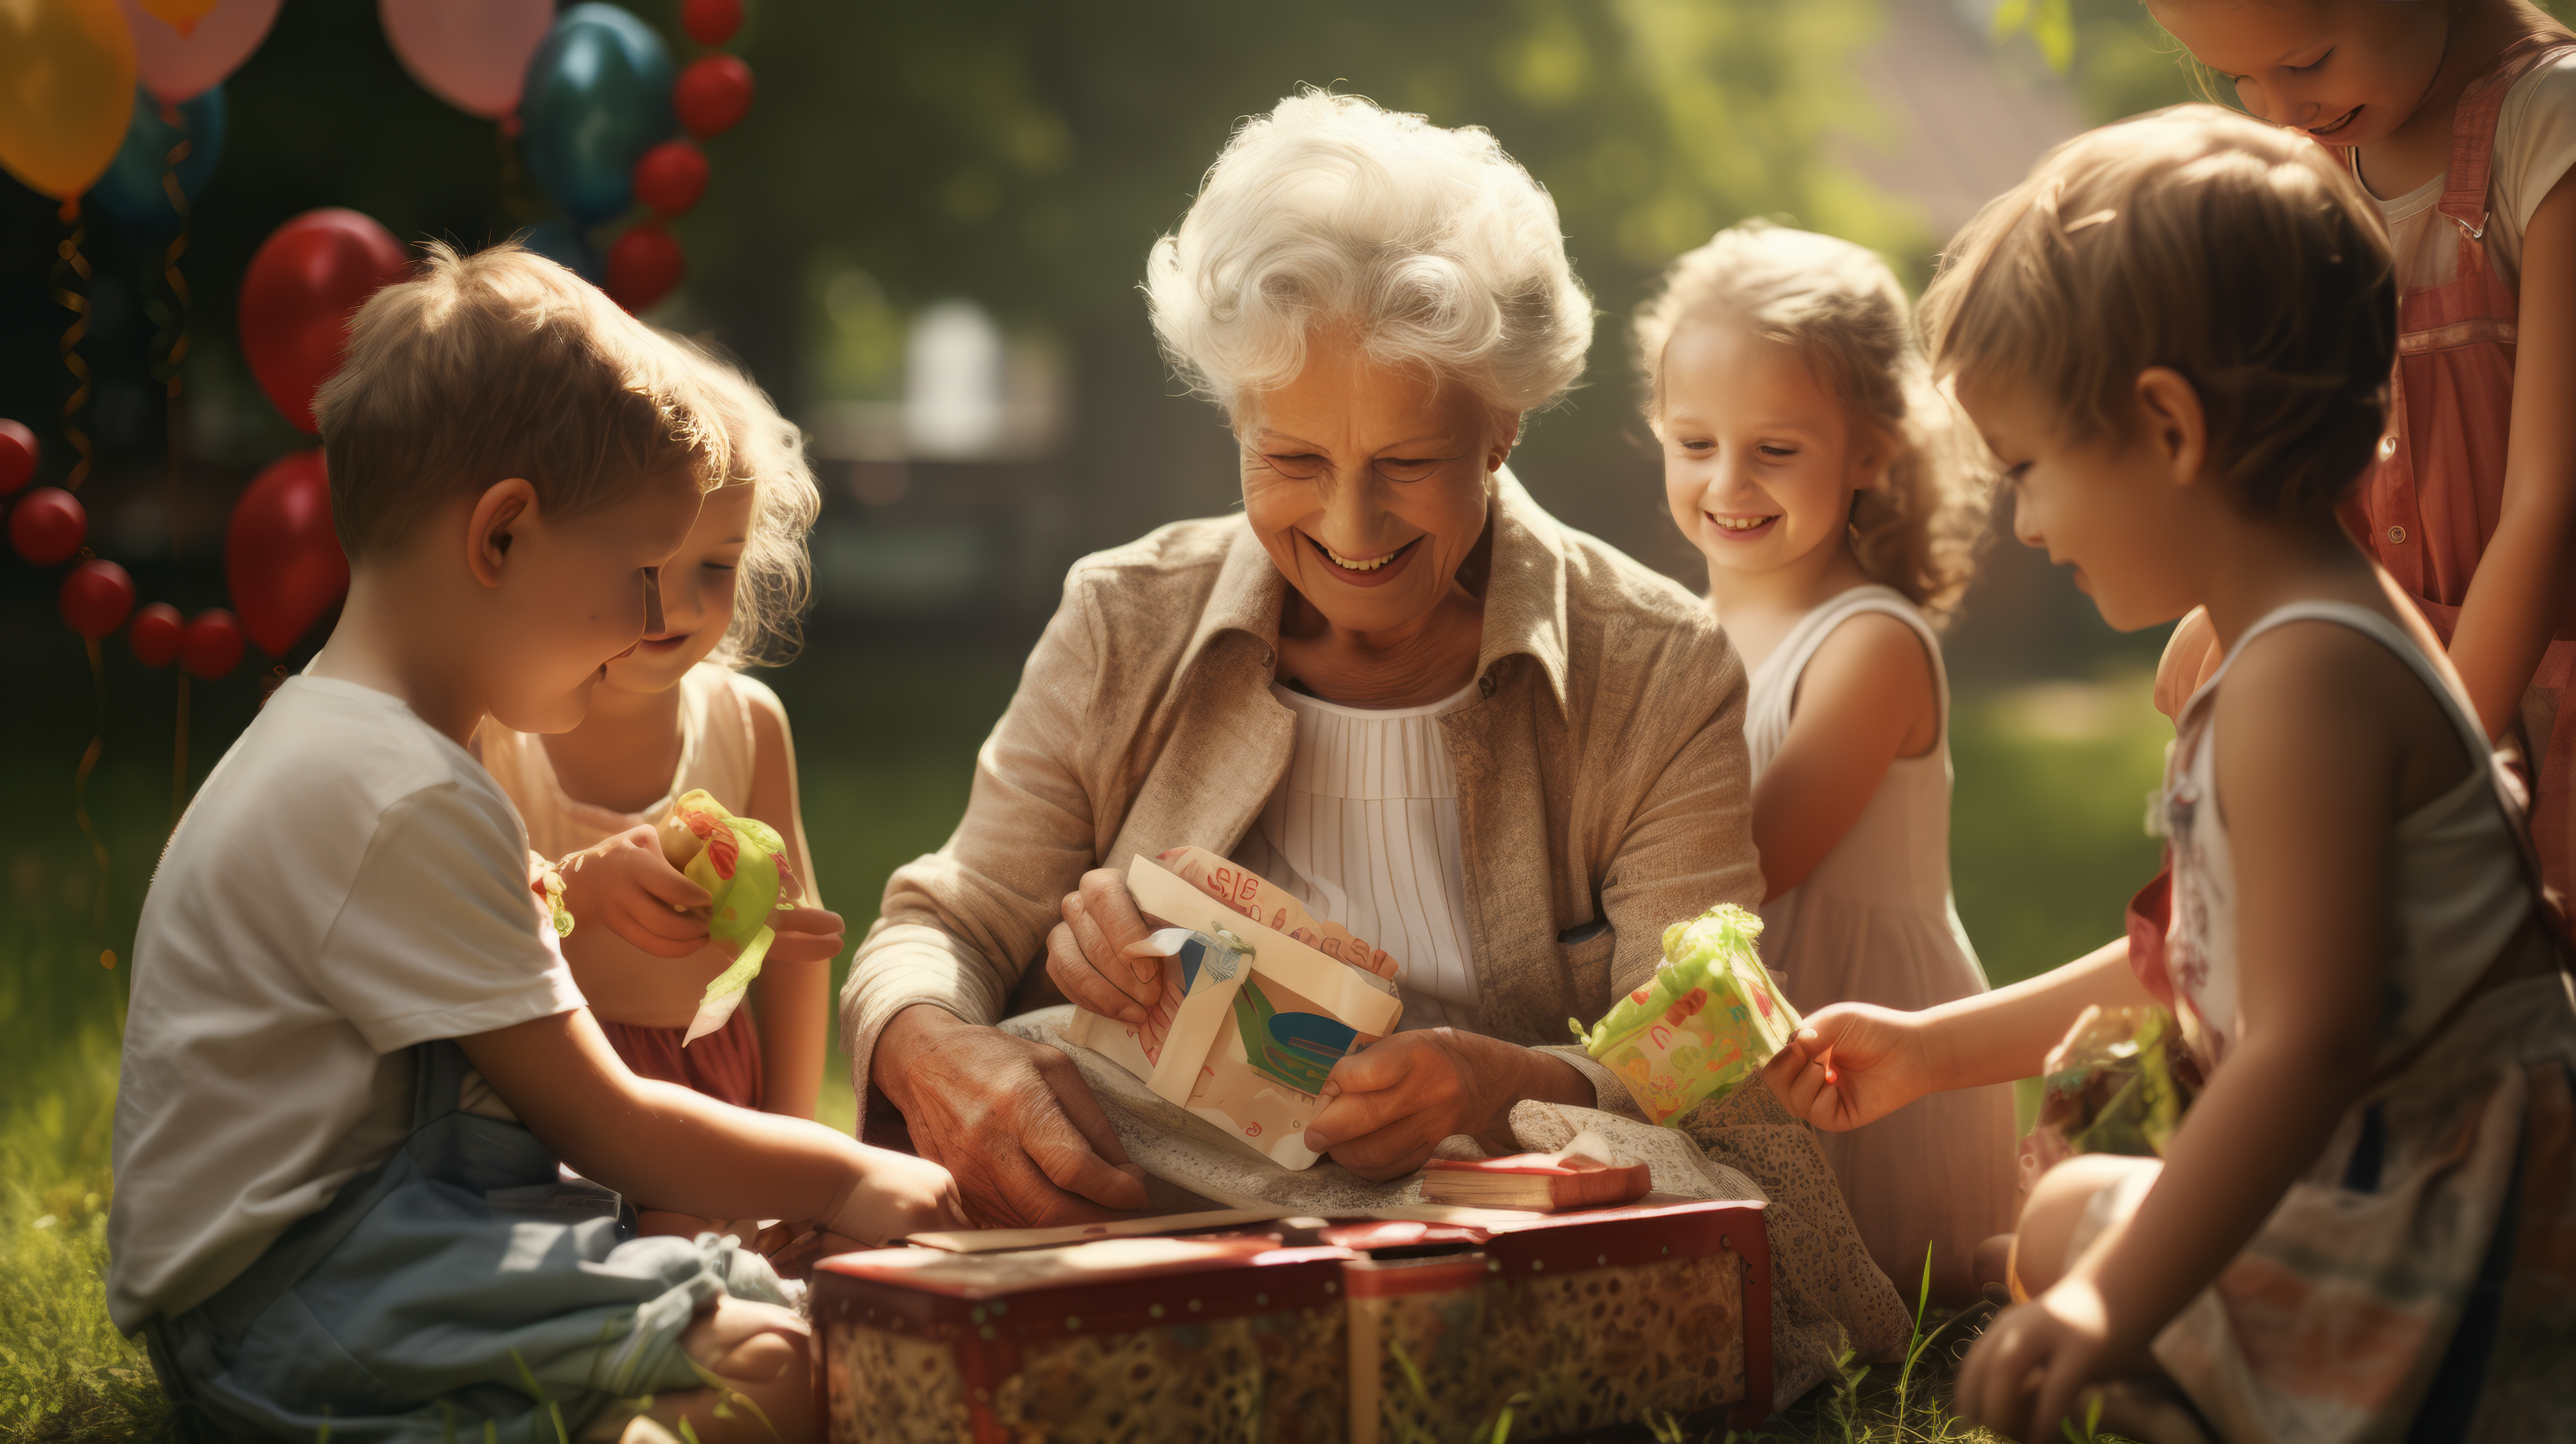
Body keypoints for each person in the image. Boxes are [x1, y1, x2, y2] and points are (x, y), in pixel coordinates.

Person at [1767, 107, 2576, 1443]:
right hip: (2402, 1177)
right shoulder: (2305, 642)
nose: (2023, 523)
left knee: (2088, 1254)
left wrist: (2107, 1311)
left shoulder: (2305, 688)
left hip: (2446, 1237)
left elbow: (2306, 1047)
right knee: (2070, 1214)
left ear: (2167, 428)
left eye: (2029, 470)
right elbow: (2199, 955)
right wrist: (1929, 1051)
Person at [107, 242, 963, 1444]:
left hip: (333, 1267)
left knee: (751, 1332)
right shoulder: (406, 789)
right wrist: (841, 1173)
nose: (660, 626)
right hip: (303, 1291)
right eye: (639, 576)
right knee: (779, 1361)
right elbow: (603, 1123)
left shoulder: (352, 745)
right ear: (501, 537)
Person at [846, 90, 1751, 1223]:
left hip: (1490, 1193)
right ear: (1234, 420)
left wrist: (1507, 1079)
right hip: (1159, 1166)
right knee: (1030, 1097)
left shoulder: (1658, 668)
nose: (1350, 529)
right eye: (1293, 459)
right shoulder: (1123, 617)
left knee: (1673, 1196)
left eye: (1409, 463)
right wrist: (935, 1051)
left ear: (1501, 428)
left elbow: (1706, 1053)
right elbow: (947, 923)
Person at [1632, 220, 2013, 1304]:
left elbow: (1750, 862)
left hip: (1862, 1056)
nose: (1727, 482)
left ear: (1869, 452)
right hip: (1738, 1030)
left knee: (1814, 1306)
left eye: (1776, 449)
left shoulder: (1867, 644)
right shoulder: (1674, 635)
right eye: (1693, 442)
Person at [2150, 0, 2576, 902]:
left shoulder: (2550, 127)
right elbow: (2305, 449)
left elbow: (2546, 504)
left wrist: (2432, 770)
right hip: (2395, 689)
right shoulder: (2316, 163)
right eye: (2237, 79)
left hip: (2528, 706)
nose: (2275, 110)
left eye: (2304, 61)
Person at [475, 347, 839, 1247]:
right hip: (551, 1086)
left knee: (752, 1247)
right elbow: (470, 925)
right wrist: (583, 892)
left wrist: (788, 1149)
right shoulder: (501, 726)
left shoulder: (747, 723)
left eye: (715, 568)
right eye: (647, 565)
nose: (674, 606)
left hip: (708, 1074)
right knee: (650, 1251)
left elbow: (791, 958)